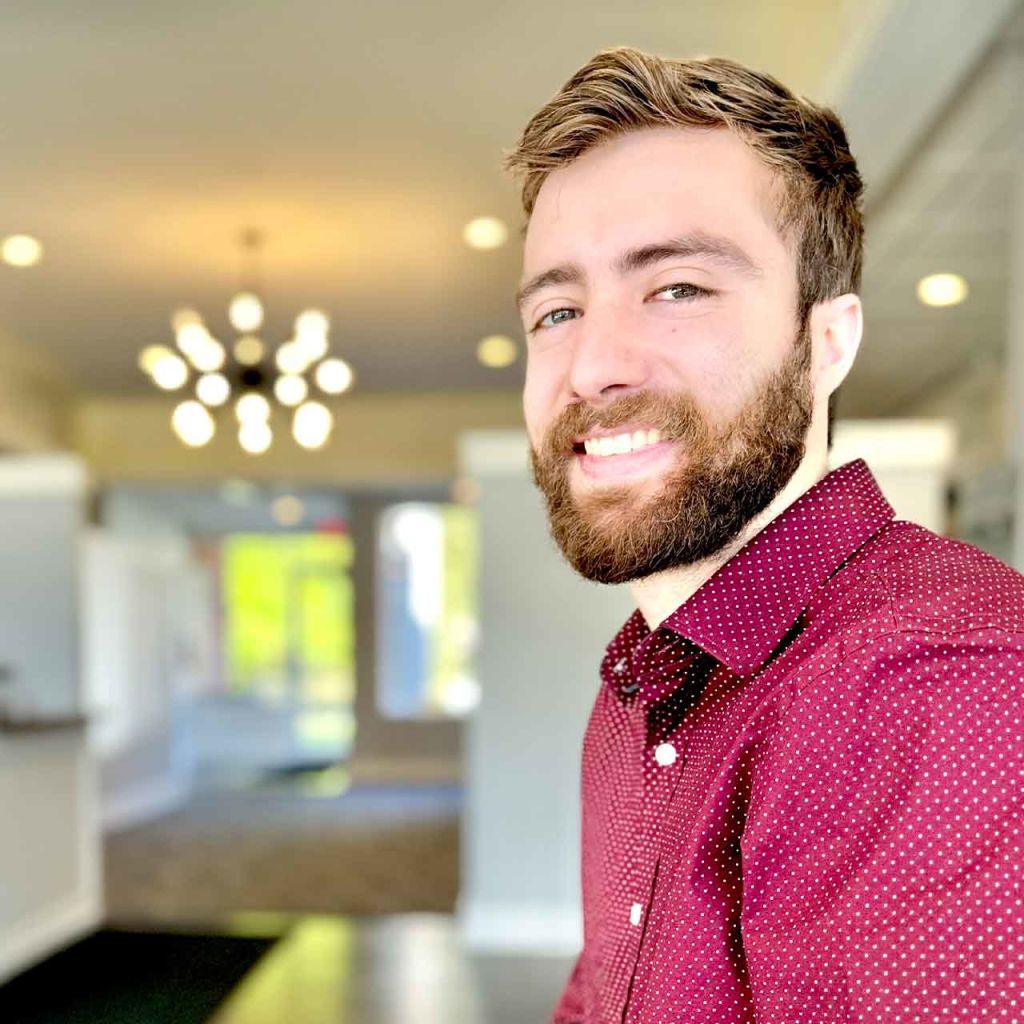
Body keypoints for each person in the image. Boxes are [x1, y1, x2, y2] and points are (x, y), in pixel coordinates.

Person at [504, 46, 1024, 1023]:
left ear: (826, 341)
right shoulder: (640, 684)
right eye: (558, 309)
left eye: (678, 287)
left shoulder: (938, 690)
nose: (591, 366)